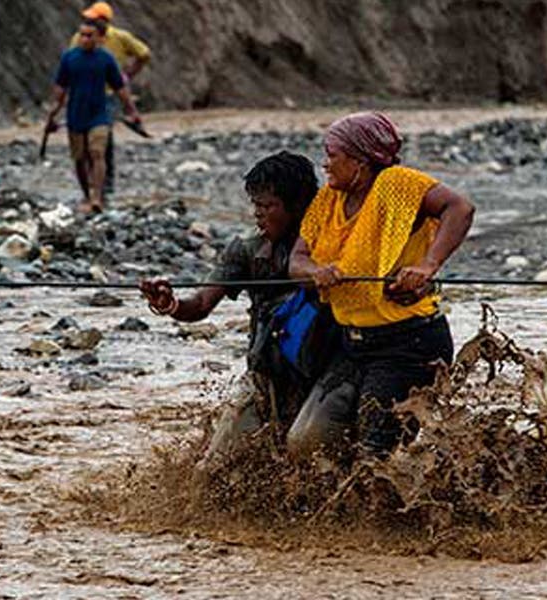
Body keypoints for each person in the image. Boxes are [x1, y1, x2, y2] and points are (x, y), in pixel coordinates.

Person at [140, 151, 348, 466]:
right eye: (255, 205)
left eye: (267, 206)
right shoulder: (247, 251)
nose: (257, 214)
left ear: (298, 207)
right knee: (213, 469)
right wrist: (170, 303)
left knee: (311, 454)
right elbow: (200, 305)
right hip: (266, 378)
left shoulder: (336, 250)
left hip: (322, 375)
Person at [288, 111, 475, 458]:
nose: (325, 164)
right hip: (352, 345)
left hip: (408, 345)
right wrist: (314, 271)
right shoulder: (328, 199)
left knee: (376, 456)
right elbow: (296, 260)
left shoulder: (396, 184)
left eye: (332, 155)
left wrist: (427, 266)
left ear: (360, 161)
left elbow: (459, 208)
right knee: (306, 442)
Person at [46, 19, 141, 214]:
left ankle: (97, 197)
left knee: (97, 152)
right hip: (75, 114)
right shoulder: (69, 58)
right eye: (82, 35)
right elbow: (60, 88)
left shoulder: (106, 59)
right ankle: (86, 195)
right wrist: (53, 114)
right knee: (80, 158)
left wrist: (132, 110)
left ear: (100, 38)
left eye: (89, 35)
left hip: (99, 114)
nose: (84, 39)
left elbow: (120, 87)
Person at [70, 2, 152, 196]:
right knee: (84, 139)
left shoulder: (120, 38)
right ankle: (91, 184)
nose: (88, 21)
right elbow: (71, 61)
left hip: (108, 95)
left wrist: (127, 75)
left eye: (92, 18)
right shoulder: (80, 38)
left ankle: (105, 184)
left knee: (102, 138)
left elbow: (144, 54)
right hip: (85, 94)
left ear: (104, 21)